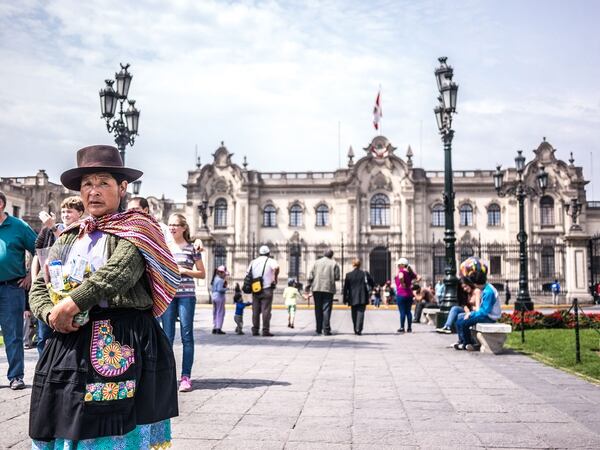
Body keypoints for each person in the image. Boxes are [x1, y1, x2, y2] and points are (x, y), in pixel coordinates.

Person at [28, 145, 180, 448]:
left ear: (122, 188)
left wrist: (71, 303)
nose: (93, 191)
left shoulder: (138, 229)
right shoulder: (70, 235)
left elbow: (117, 272)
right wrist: (49, 313)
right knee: (62, 419)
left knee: (113, 425)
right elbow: (42, 283)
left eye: (103, 183)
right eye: (87, 184)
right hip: (68, 339)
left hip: (121, 339)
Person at [31, 196, 85, 356]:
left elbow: (69, 244)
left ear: (80, 213)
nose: (65, 214)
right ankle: (43, 366)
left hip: (69, 287)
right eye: (63, 211)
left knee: (67, 332)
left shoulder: (82, 229)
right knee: (43, 335)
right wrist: (35, 280)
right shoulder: (48, 230)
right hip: (48, 286)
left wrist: (53, 226)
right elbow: (37, 254)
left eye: (69, 211)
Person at [162, 213, 206, 392]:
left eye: (175, 225)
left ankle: (186, 377)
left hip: (186, 296)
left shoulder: (192, 248)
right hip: (168, 295)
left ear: (183, 228)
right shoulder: (164, 246)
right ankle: (167, 375)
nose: (172, 228)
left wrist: (185, 271)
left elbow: (202, 273)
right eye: (170, 225)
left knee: (187, 336)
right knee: (167, 338)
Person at [0, 190, 36, 390]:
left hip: (11, 288)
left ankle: (16, 377)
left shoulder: (18, 226)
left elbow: (39, 248)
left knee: (13, 335)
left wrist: (31, 275)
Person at [453, 257, 501, 351]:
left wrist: (471, 314)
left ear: (476, 283)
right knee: (459, 321)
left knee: (464, 323)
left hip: (490, 317)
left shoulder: (489, 292)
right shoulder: (485, 289)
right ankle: (463, 342)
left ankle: (467, 343)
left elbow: (484, 312)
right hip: (485, 315)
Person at [247, 245, 279, 336]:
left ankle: (255, 330)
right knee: (266, 310)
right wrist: (275, 277)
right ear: (269, 253)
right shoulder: (271, 261)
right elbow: (276, 267)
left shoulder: (253, 262)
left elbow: (248, 272)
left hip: (255, 288)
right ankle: (265, 330)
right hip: (267, 289)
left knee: (255, 310)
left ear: (259, 253)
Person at [308, 249, 340, 336]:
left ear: (323, 254)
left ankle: (318, 329)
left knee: (318, 308)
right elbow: (337, 277)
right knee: (326, 309)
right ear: (331, 255)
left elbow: (311, 276)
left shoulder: (316, 262)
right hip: (328, 289)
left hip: (317, 288)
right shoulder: (334, 263)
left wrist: (308, 285)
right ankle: (326, 329)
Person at [343, 259, 374, 335]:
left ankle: (355, 328)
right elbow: (372, 283)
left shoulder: (348, 275)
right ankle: (358, 329)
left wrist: (344, 299)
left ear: (353, 265)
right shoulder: (364, 274)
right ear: (360, 265)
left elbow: (345, 288)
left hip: (352, 297)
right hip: (363, 296)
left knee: (354, 313)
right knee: (361, 312)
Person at [394, 257, 421, 333]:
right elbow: (419, 277)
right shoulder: (410, 273)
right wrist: (413, 283)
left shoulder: (401, 271)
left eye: (399, 265)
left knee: (402, 312)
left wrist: (402, 283)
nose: (398, 266)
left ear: (402, 265)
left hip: (401, 294)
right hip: (409, 294)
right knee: (408, 311)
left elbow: (401, 276)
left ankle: (402, 327)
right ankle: (409, 328)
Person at [210, 265, 228, 334]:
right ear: (221, 273)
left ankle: (214, 327)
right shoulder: (221, 280)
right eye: (224, 273)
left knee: (215, 312)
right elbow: (220, 289)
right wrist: (226, 288)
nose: (224, 275)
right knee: (220, 312)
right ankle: (218, 328)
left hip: (214, 296)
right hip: (219, 296)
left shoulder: (215, 279)